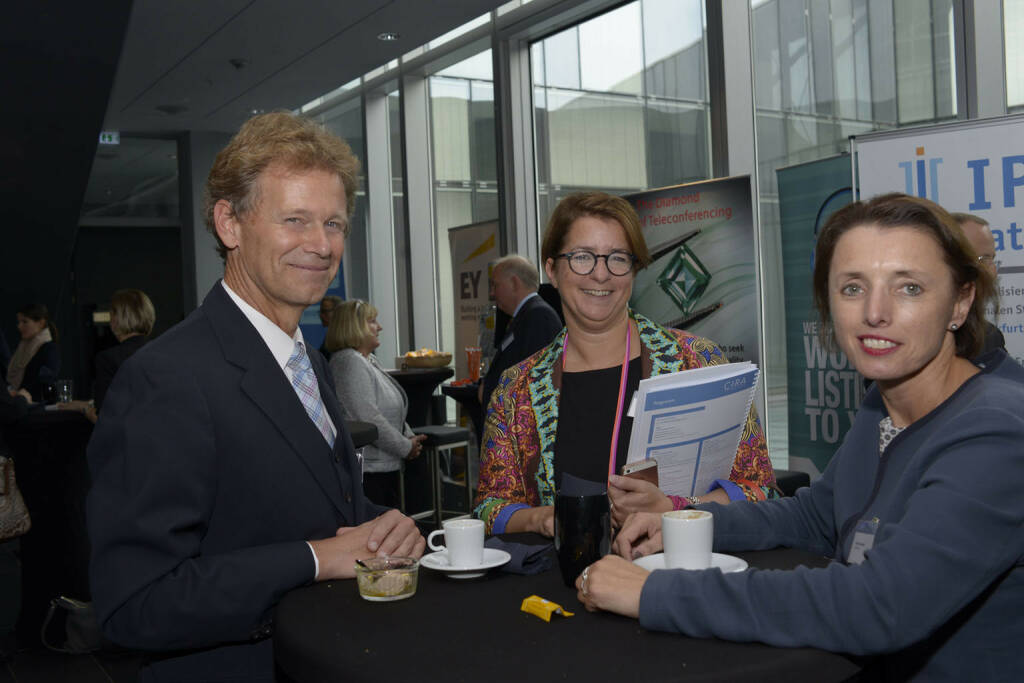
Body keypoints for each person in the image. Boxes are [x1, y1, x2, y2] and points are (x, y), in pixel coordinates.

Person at [584, 193, 1024, 681]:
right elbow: (817, 516)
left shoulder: (996, 432)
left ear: (960, 302)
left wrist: (652, 594)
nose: (874, 313)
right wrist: (682, 523)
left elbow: (878, 606)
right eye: (853, 288)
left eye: (910, 289)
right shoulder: (881, 405)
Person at [87, 112, 424, 683]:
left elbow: (318, 508)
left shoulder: (306, 360)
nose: (320, 245)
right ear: (230, 224)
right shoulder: (166, 377)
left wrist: (384, 525)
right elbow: (135, 604)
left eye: (334, 223)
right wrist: (316, 559)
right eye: (295, 220)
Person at [474, 192, 777, 536]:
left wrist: (676, 508)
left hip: (676, 581)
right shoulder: (518, 389)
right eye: (582, 257)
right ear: (552, 271)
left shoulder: (696, 362)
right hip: (559, 584)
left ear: (633, 270)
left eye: (617, 258)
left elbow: (759, 490)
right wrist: (543, 518)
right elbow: (489, 508)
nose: (601, 274)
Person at [327, 299, 426, 509]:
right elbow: (367, 418)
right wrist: (404, 446)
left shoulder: (367, 359)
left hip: (382, 467)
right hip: (369, 473)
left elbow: (393, 408)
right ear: (353, 326)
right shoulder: (349, 361)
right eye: (372, 321)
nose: (379, 327)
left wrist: (407, 436)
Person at [478, 255, 563, 417]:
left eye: (495, 285)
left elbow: (535, 382)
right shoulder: (526, 316)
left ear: (515, 283)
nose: (492, 293)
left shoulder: (538, 317)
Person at [952, 212, 1006, 355]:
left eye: (991, 259)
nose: (993, 272)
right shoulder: (921, 335)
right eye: (984, 259)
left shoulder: (989, 337)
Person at [6, 303, 59, 400]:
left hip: (38, 408)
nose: (19, 326)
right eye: (19, 322)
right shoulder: (22, 348)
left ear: (41, 323)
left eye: (25, 322)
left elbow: (46, 382)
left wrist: (20, 394)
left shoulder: (49, 349)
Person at [318, 294, 343, 358]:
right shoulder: (331, 335)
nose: (321, 315)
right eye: (320, 312)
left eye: (325, 311)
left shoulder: (342, 338)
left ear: (338, 312)